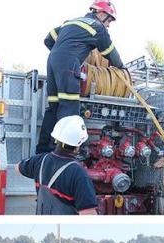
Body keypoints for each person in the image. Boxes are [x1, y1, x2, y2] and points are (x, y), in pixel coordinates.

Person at [36, 1, 122, 153]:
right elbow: (110, 53)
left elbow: (48, 40)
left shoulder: (70, 22)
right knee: (69, 108)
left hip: (52, 61)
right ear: (101, 13)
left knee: (54, 108)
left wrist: (62, 51)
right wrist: (122, 68)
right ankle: (64, 155)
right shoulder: (98, 27)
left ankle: (42, 151)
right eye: (109, 20)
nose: (108, 25)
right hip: (69, 64)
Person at [18, 115, 98, 214]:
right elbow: (88, 215)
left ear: (57, 139)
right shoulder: (78, 174)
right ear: (78, 145)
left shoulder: (40, 160)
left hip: (43, 227)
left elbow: (18, 168)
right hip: (66, 229)